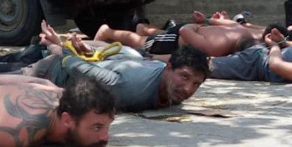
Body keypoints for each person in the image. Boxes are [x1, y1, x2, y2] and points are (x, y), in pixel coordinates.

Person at [21, 45, 210, 112]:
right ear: (169, 68)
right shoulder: (132, 90)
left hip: (91, 62)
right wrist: (64, 52)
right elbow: (82, 70)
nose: (187, 89)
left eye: (196, 84)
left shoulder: (162, 71)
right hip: (53, 72)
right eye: (184, 77)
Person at [94, 11, 262, 58]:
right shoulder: (216, 48)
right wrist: (195, 26)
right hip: (180, 36)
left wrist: (206, 20)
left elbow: (220, 22)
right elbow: (184, 31)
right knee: (141, 42)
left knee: (144, 38)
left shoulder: (243, 31)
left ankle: (140, 27)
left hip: (189, 32)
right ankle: (107, 31)